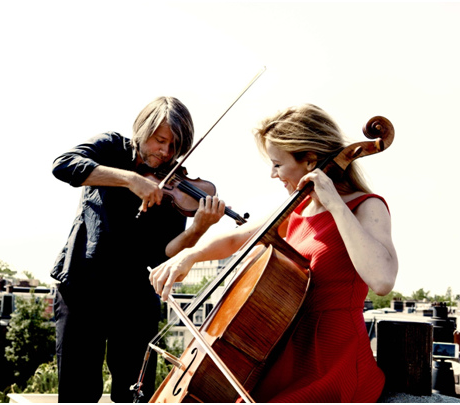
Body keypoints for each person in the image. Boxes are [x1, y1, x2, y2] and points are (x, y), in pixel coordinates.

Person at [150, 103, 398, 402]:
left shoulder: (366, 206)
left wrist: (334, 203)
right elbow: (236, 238)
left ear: (310, 161)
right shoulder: (295, 209)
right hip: (283, 357)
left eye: (277, 164)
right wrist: (188, 256)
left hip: (332, 362)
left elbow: (382, 280)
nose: (272, 174)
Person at [51, 96, 225, 403]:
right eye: (160, 140)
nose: (166, 153)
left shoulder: (175, 186)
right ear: (143, 129)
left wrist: (198, 229)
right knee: (78, 391)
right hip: (83, 286)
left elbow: (164, 254)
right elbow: (64, 165)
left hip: (135, 295)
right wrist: (129, 179)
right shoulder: (111, 148)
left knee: (136, 393)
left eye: (174, 146)